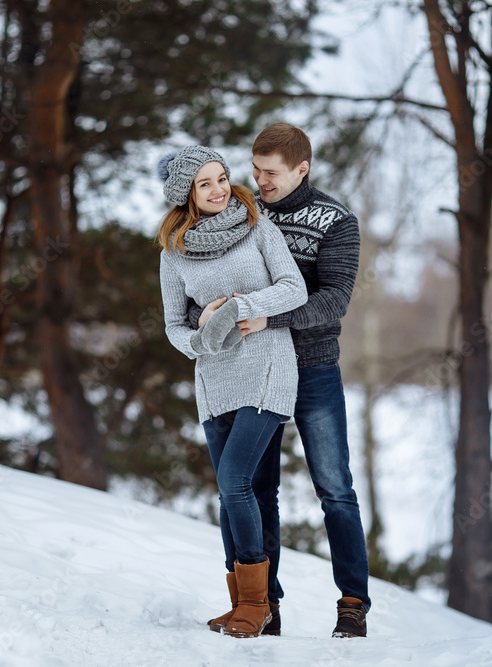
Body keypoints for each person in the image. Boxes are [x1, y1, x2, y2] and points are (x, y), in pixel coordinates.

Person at [188, 123, 370, 638]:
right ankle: (265, 605)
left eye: (270, 173)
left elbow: (335, 298)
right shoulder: (245, 212)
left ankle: (352, 603)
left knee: (334, 488)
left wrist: (270, 317)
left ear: (301, 169)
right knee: (254, 487)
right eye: (255, 170)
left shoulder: (335, 221)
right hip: (255, 368)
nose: (259, 181)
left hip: (311, 367)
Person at [156, 145, 307, 638]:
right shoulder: (173, 252)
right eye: (206, 183)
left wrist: (236, 308)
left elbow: (294, 288)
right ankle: (245, 604)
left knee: (234, 481)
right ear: (187, 194)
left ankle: (257, 604)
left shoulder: (256, 225)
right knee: (240, 493)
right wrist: (201, 334)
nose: (220, 189)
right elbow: (174, 328)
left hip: (267, 366)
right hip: (214, 376)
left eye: (222, 177)